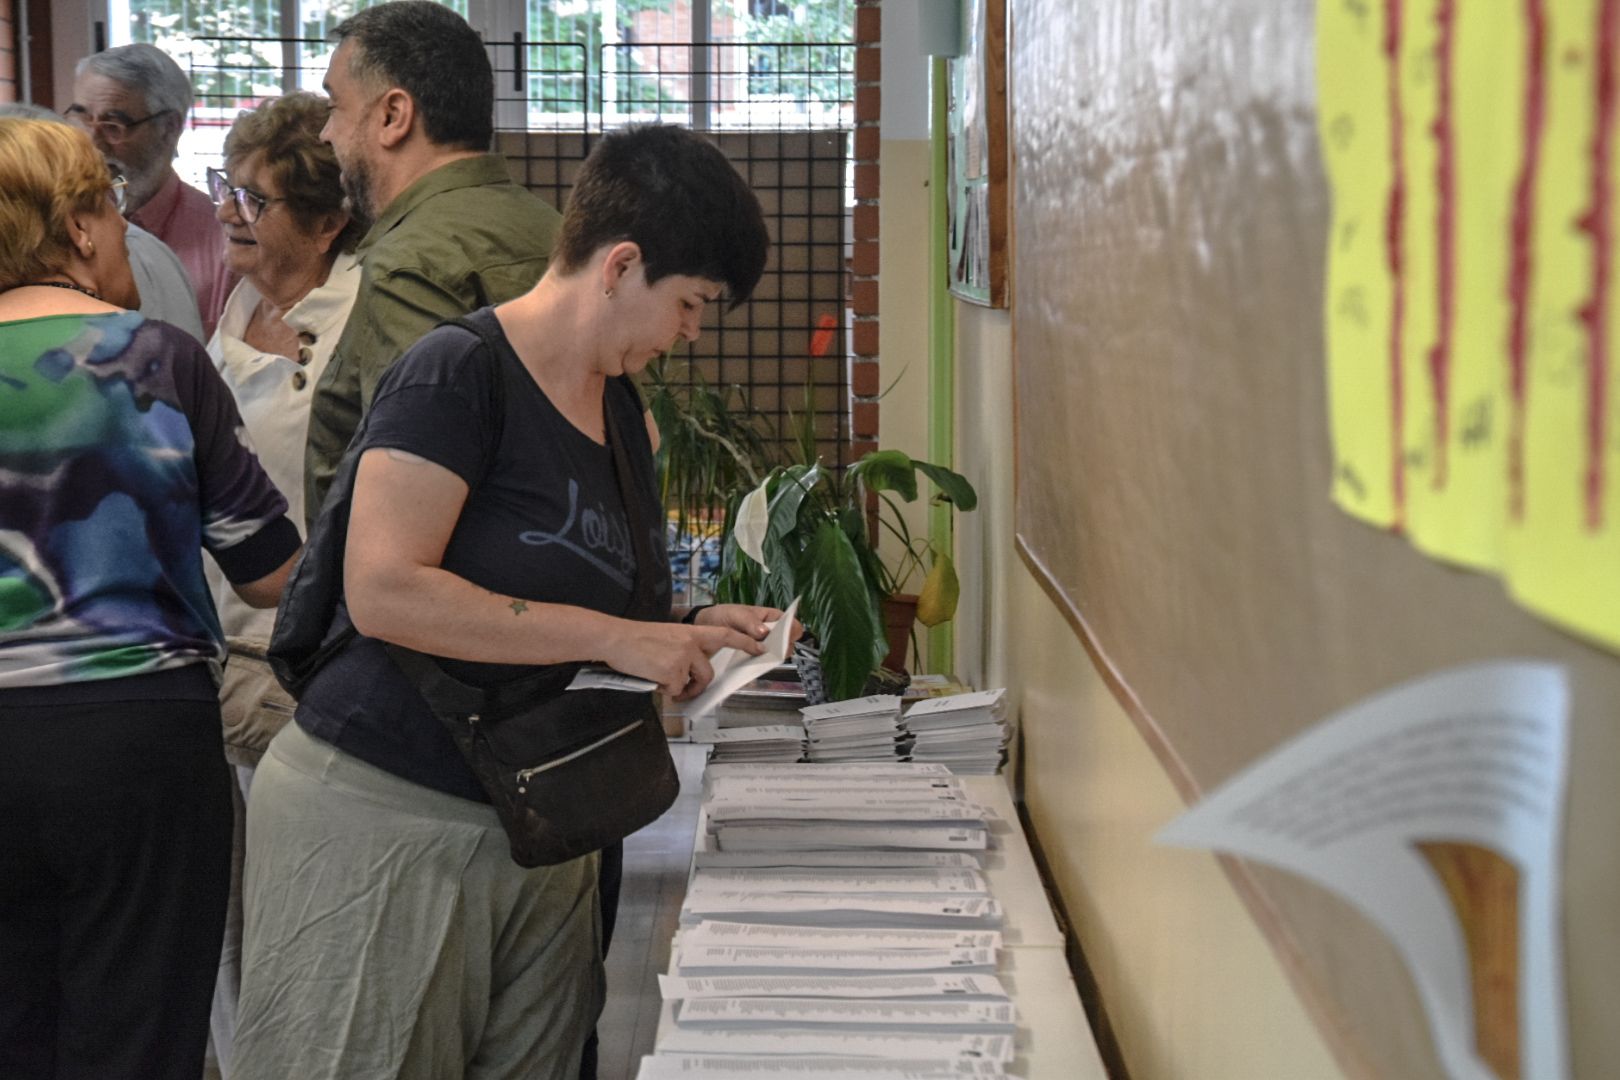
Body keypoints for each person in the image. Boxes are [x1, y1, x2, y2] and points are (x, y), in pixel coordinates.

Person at [233, 124, 778, 1080]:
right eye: (690, 303)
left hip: (538, 816)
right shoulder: (458, 373)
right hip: (387, 809)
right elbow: (388, 589)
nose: (690, 331)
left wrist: (685, 632)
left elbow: (574, 589)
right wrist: (622, 635)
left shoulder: (621, 413)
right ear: (621, 265)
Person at [0, 117, 301, 1080]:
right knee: (136, 1034)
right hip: (138, 739)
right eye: (115, 208)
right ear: (80, 228)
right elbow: (267, 570)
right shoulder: (161, 360)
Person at [200, 90, 363, 1077]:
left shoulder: (354, 320)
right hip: (213, 645)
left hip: (295, 655)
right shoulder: (235, 298)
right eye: (224, 187)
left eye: (252, 199)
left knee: (299, 915)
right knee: (229, 920)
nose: (227, 212)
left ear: (328, 219)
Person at [304, 0, 563, 521]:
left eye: (335, 106)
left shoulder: (412, 260)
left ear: (393, 116)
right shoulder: (556, 231)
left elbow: (411, 496)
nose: (324, 133)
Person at [0, 100, 206, 342]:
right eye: (107, 198)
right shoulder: (159, 352)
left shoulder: (142, 253)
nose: (123, 223)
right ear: (77, 226)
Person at [68, 43, 236, 335]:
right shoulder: (52, 227)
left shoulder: (223, 242)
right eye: (82, 118)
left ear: (170, 127)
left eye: (114, 125)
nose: (92, 143)